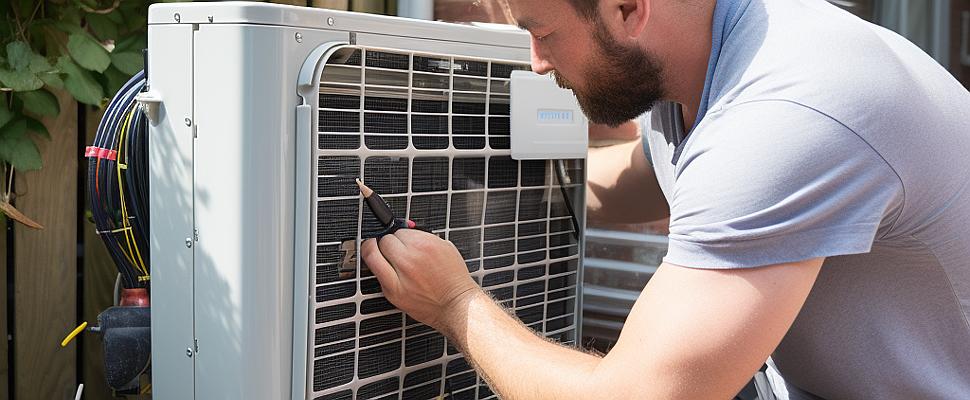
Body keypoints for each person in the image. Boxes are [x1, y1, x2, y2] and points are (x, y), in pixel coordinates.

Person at [360, 0, 970, 398]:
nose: (536, 63)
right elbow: (650, 179)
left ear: (628, 9)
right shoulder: (705, 62)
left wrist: (455, 301)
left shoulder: (786, 113)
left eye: (542, 34)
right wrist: (469, 187)